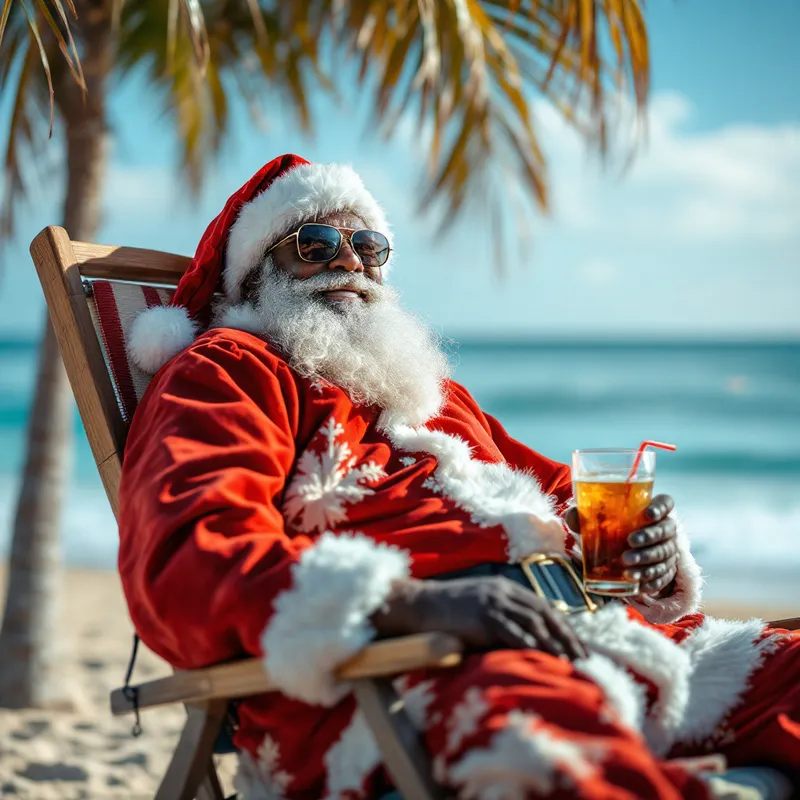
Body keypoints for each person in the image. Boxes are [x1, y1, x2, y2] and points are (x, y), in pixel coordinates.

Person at [119, 154, 799, 800]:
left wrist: (642, 552)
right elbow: (188, 554)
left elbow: (557, 492)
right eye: (317, 243)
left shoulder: (427, 394)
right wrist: (411, 604)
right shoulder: (229, 371)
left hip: (596, 635)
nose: (351, 261)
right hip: (409, 672)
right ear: (254, 275)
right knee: (548, 750)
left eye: (371, 247)